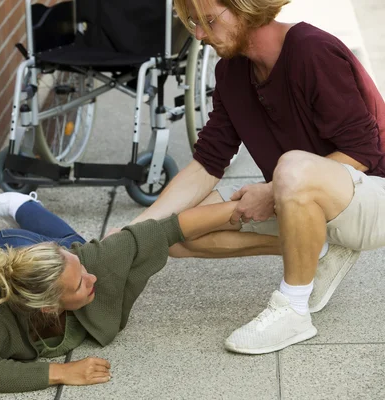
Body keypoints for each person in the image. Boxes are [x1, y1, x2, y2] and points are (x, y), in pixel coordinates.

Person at [110, 0, 385, 355]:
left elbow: (363, 151)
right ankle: (319, 249)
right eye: (193, 23)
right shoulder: (230, 72)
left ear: (245, 7)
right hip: (302, 199)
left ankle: (293, 310)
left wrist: (271, 191)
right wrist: (134, 232)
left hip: (370, 197)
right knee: (172, 235)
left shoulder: (311, 50)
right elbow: (207, 164)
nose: (199, 34)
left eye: (208, 20)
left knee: (291, 168)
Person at [0, 191, 244, 394]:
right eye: (81, 284)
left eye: (83, 273)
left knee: (77, 242)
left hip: (29, 244)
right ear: (48, 304)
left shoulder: (81, 262)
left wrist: (239, 210)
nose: (94, 280)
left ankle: (16, 202)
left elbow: (169, 228)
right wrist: (61, 372)